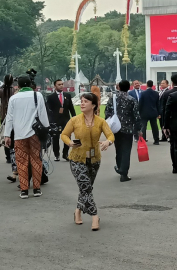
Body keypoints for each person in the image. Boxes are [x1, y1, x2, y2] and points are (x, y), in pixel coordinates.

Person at [61, 93, 114, 230]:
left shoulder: (100, 121)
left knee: (86, 188)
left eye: (85, 102)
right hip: (77, 159)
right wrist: (70, 142)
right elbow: (64, 134)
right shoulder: (74, 120)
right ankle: (95, 216)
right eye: (81, 101)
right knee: (85, 186)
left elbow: (110, 135)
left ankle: (78, 211)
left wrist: (108, 142)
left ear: (94, 105)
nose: (82, 104)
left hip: (94, 159)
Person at [4, 75, 50, 199]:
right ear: (30, 84)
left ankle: (24, 190)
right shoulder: (37, 95)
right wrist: (46, 130)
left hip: (19, 135)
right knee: (36, 160)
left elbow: (9, 118)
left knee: (21, 162)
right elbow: (43, 115)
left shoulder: (13, 98)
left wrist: (7, 135)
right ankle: (36, 189)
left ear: (18, 86)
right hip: (35, 134)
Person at [105, 80, 141, 182]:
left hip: (115, 127)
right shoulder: (132, 99)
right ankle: (123, 173)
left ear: (119, 87)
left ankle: (119, 166)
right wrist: (138, 129)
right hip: (128, 128)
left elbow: (107, 112)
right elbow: (136, 116)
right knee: (126, 150)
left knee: (118, 149)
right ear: (129, 88)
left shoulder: (113, 98)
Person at [46, 79, 76, 162]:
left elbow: (71, 108)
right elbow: (48, 110)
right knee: (55, 138)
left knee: (67, 137)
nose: (61, 86)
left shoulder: (67, 95)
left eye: (62, 84)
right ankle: (56, 154)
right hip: (55, 121)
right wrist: (50, 121)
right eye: (59, 84)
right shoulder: (51, 97)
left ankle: (65, 154)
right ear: (55, 86)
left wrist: (74, 118)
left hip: (66, 120)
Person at [160, 74, 177, 173]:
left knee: (174, 146)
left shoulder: (167, 93)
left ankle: (176, 166)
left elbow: (165, 110)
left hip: (172, 123)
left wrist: (165, 125)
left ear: (171, 82)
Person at [139, 80, 160, 145]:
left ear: (147, 85)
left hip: (144, 112)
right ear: (152, 85)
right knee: (154, 127)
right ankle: (156, 140)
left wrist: (139, 112)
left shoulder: (143, 93)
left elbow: (140, 104)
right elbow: (158, 104)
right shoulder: (156, 93)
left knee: (143, 127)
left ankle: (143, 139)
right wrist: (158, 113)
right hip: (153, 112)